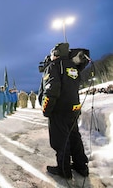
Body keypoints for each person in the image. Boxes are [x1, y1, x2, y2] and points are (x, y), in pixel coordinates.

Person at [38, 42, 89, 179]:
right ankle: (81, 166)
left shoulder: (54, 66)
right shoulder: (73, 66)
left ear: (56, 54)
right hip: (73, 109)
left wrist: (46, 110)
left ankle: (64, 170)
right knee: (74, 138)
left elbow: (51, 90)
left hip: (59, 110)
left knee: (61, 140)